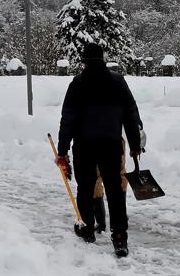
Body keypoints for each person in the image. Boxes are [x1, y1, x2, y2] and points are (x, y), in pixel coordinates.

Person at [56, 43, 143, 258]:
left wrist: (62, 149)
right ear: (103, 59)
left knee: (85, 187)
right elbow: (130, 115)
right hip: (110, 145)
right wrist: (134, 144)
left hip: (84, 146)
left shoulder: (77, 84)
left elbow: (67, 120)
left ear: (84, 61)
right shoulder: (118, 82)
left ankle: (86, 229)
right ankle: (120, 237)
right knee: (115, 191)